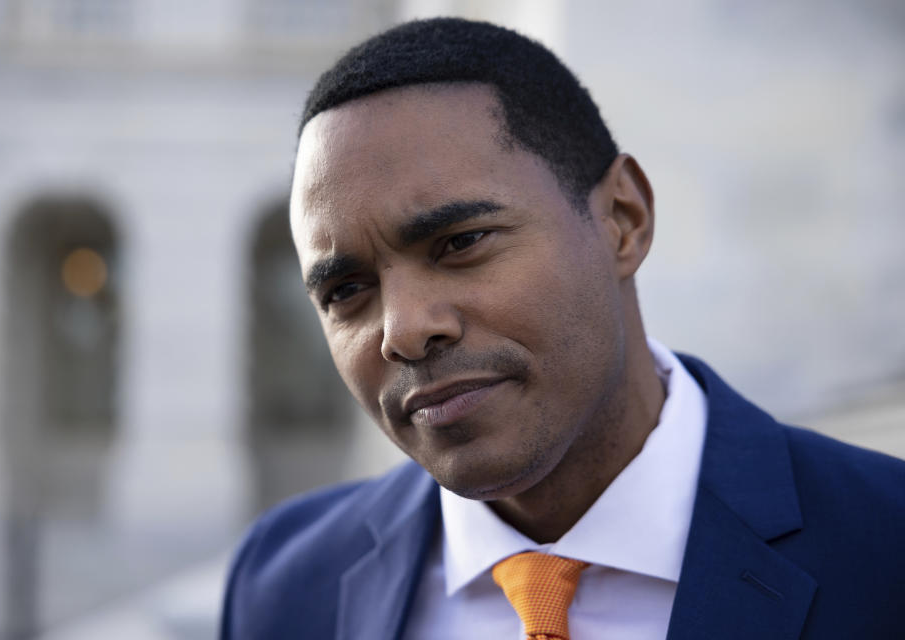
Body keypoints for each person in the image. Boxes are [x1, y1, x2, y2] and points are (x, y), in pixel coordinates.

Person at [221, 17, 905, 639]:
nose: (402, 331)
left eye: (461, 243)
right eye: (345, 291)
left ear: (623, 220)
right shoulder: (282, 585)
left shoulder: (884, 545)